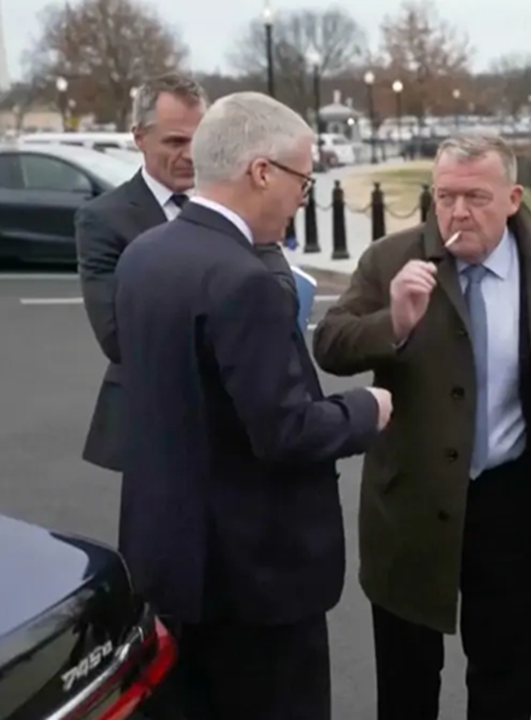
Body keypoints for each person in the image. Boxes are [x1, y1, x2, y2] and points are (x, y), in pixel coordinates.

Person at [114, 91, 391, 720]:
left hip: (167, 559)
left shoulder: (145, 256)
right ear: (261, 171)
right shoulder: (245, 281)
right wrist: (365, 410)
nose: (304, 196)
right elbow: (286, 430)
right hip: (254, 579)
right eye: (304, 178)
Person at [312, 134, 531, 720]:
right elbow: (331, 345)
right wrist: (391, 322)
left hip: (510, 499)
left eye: (476, 196)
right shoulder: (392, 260)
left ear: (514, 197)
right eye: (445, 196)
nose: (458, 212)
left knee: (505, 673)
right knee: (407, 677)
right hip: (411, 500)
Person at [75, 72, 296, 473]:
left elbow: (280, 291)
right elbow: (117, 337)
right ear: (139, 137)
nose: (192, 155)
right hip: (158, 425)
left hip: (241, 418)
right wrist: (229, 333)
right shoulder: (103, 219)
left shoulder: (233, 198)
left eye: (199, 139)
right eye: (175, 141)